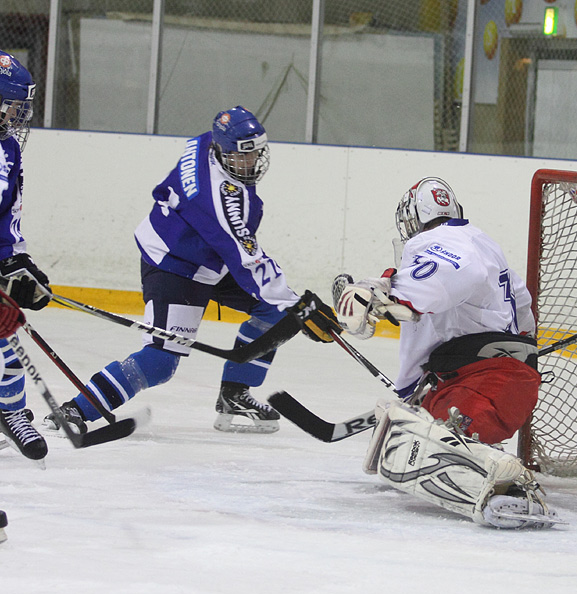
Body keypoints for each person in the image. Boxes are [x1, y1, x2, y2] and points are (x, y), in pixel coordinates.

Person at [45, 105, 339, 435]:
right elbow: (247, 259)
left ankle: (234, 394)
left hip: (205, 253)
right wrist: (299, 306)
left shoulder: (206, 143)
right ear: (222, 151)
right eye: (242, 156)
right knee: (160, 362)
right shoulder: (219, 199)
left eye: (255, 153)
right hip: (175, 264)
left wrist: (291, 308)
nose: (251, 162)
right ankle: (74, 410)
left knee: (274, 312)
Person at [334, 177, 559, 529]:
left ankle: (511, 489)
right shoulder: (481, 241)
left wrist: (391, 294)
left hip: (485, 385)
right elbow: (522, 312)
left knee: (428, 448)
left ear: (412, 219)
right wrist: (389, 287)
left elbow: (445, 277)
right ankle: (480, 460)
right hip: (494, 381)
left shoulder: (438, 241)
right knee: (406, 441)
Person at [0, 50, 52, 462]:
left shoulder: (9, 151)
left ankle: (11, 412)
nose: (19, 114)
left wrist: (18, 263)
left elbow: (8, 217)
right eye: (15, 103)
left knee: (9, 330)